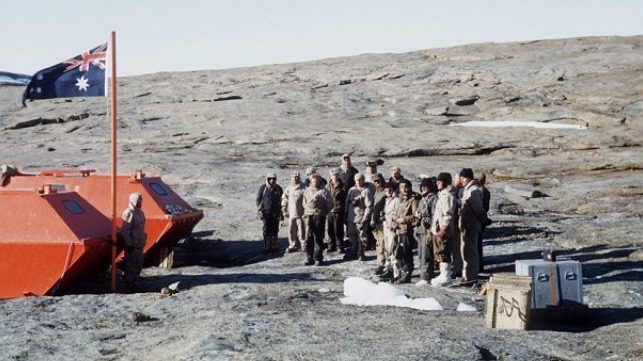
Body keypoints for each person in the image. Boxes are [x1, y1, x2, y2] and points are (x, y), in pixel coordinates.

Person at [455, 168, 488, 285]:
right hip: (466, 225)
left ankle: (472, 277)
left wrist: (484, 220)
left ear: (468, 177)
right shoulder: (467, 189)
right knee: (465, 251)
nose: (461, 180)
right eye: (461, 178)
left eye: (463, 178)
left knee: (471, 252)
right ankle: (466, 275)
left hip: (472, 225)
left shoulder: (473, 190)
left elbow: (478, 208)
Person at [430, 173, 457, 287]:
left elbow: (448, 214)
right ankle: (442, 274)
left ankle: (446, 276)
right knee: (440, 251)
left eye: (439, 181)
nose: (437, 183)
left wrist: (444, 229)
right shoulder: (442, 194)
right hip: (438, 228)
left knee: (444, 251)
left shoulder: (448, 196)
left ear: (445, 182)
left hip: (444, 230)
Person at [302, 173, 334, 266]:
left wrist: (323, 212)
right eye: (313, 181)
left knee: (318, 237)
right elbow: (304, 203)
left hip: (319, 215)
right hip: (308, 216)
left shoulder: (324, 191)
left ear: (319, 181)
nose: (315, 183)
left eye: (316, 181)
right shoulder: (307, 191)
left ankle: (318, 258)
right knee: (309, 238)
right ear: (311, 181)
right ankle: (309, 258)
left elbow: (330, 204)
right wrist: (307, 211)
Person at [391, 179, 418, 283]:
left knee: (407, 253)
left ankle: (407, 274)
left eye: (406, 187)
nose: (404, 189)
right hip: (398, 230)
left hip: (407, 230)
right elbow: (396, 213)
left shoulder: (413, 200)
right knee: (398, 253)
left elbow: (416, 216)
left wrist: (404, 219)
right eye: (402, 187)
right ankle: (400, 273)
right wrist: (394, 222)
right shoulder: (399, 200)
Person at [414, 177, 438, 285]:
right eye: (422, 186)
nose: (423, 188)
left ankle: (427, 276)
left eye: (425, 186)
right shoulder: (422, 199)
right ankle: (423, 274)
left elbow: (434, 216)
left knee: (427, 254)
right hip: (420, 230)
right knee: (421, 254)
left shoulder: (433, 199)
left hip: (428, 230)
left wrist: (426, 220)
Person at [344, 173, 373, 261]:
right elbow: (347, 203)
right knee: (352, 236)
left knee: (362, 237)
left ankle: (361, 253)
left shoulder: (366, 191)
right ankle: (353, 251)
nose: (359, 182)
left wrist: (365, 219)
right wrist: (345, 215)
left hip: (360, 218)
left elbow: (369, 206)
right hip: (351, 218)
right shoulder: (351, 190)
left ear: (363, 180)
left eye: (361, 180)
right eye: (357, 180)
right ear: (354, 181)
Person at [121, 192, 146, 291]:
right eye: (137, 200)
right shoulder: (128, 213)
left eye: (140, 200)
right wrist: (129, 244)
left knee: (139, 265)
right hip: (133, 245)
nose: (139, 202)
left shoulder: (140, 213)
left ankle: (136, 282)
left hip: (140, 244)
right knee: (130, 266)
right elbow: (125, 230)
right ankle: (130, 285)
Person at [256, 172, 284, 252]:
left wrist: (282, 211)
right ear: (267, 179)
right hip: (266, 212)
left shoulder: (278, 188)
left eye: (273, 179)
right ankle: (266, 246)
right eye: (270, 179)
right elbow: (258, 199)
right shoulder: (263, 188)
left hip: (276, 212)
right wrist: (259, 208)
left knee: (275, 228)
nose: (272, 180)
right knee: (266, 228)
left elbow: (282, 200)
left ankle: (274, 245)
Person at [281, 171, 306, 253]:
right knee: (291, 229)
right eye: (294, 177)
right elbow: (284, 199)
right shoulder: (288, 188)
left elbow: (307, 199)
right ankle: (292, 244)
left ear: (299, 178)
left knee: (302, 229)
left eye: (297, 177)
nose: (295, 178)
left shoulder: (304, 188)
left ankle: (303, 244)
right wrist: (284, 209)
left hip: (301, 213)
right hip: (291, 213)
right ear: (291, 178)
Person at [370, 173, 388, 274]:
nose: (377, 183)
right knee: (378, 243)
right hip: (375, 221)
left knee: (383, 243)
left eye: (378, 180)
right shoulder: (375, 192)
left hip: (383, 222)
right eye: (375, 181)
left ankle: (384, 264)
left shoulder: (386, 191)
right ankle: (380, 262)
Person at [326, 168, 347, 253]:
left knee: (338, 229)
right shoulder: (327, 186)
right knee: (330, 229)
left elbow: (345, 197)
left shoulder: (343, 185)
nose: (335, 177)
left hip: (339, 210)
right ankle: (331, 244)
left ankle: (339, 245)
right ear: (331, 176)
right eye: (333, 175)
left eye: (336, 175)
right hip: (329, 210)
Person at [478, 173, 491, 272]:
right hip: (483, 218)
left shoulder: (480, 191)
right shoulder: (486, 191)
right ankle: (480, 265)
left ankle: (479, 266)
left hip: (479, 219)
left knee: (477, 244)